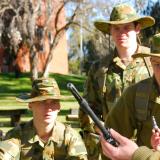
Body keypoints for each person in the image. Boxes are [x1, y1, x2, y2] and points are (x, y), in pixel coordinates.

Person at [79, 3, 155, 159]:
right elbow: (88, 111)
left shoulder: (154, 61)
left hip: (149, 152)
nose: (122, 33)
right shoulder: (99, 69)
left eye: (127, 27)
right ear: (110, 31)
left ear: (137, 29)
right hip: (112, 151)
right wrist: (99, 135)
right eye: (116, 28)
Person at [104, 33, 160, 158]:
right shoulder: (137, 94)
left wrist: (137, 155)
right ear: (151, 62)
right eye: (158, 64)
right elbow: (111, 140)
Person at [5, 77, 88, 160]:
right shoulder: (15, 136)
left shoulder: (70, 137)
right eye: (42, 101)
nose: (48, 108)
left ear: (59, 106)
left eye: (53, 102)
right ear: (30, 105)